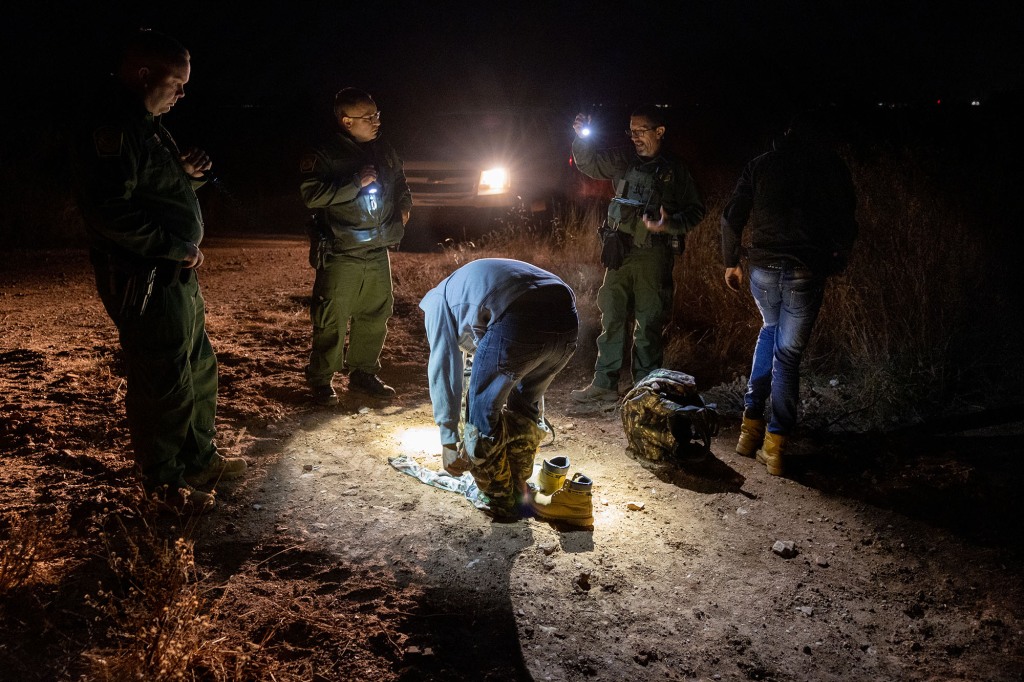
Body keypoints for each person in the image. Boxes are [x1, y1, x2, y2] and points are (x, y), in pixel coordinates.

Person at [70, 28, 246, 514]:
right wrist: (174, 247)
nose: (183, 93)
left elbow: (152, 189)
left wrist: (187, 177)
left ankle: (198, 458)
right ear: (144, 74)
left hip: (172, 275)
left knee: (197, 365)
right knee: (162, 378)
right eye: (177, 82)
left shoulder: (147, 125)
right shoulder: (113, 127)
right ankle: (164, 484)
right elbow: (109, 212)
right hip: (144, 276)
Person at [720, 112, 858, 476]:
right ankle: (775, 445)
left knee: (769, 329)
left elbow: (732, 216)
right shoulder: (829, 165)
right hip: (805, 269)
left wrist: (731, 261)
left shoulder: (759, 166)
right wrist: (838, 256)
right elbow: (846, 216)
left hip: (763, 268)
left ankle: (749, 431)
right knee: (789, 355)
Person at [420, 258, 579, 520]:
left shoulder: (437, 303)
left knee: (481, 420)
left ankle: (501, 501)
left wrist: (448, 439)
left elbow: (445, 366)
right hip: (567, 320)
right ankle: (519, 487)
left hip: (517, 317)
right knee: (525, 407)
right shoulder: (469, 287)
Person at [569, 105, 705, 404]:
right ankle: (605, 384)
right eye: (630, 131)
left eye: (640, 131)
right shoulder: (622, 159)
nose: (634, 137)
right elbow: (589, 164)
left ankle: (646, 390)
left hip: (653, 255)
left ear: (659, 131)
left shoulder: (675, 170)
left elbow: (696, 211)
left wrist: (669, 225)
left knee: (649, 321)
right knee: (612, 315)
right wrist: (581, 137)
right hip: (619, 251)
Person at [299, 87, 412, 405]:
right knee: (331, 317)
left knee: (376, 314)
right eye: (369, 117)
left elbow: (400, 180)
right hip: (342, 252)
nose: (377, 121)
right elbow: (312, 195)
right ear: (347, 121)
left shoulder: (383, 148)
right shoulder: (324, 153)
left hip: (377, 251)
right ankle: (322, 380)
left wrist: (404, 209)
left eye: (377, 115)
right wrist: (354, 183)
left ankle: (363, 373)